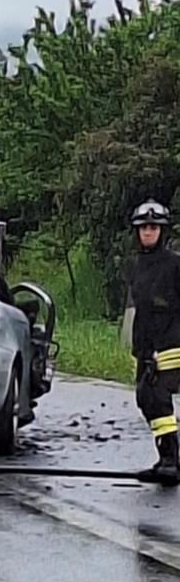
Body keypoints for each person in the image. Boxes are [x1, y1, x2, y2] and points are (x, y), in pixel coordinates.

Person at [127, 199, 180, 485]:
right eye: (144, 228)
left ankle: (171, 461)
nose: (148, 232)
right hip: (146, 347)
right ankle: (166, 459)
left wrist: (165, 345)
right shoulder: (138, 265)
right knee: (145, 398)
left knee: (157, 397)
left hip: (171, 346)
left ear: (162, 232)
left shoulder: (174, 264)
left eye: (154, 228)